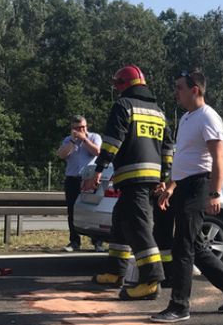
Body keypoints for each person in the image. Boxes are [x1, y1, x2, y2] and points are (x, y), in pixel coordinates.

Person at [150, 69, 223, 323]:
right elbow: (184, 160)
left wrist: (215, 193)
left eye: (179, 87)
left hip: (199, 186)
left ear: (195, 90)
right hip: (183, 186)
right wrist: (170, 187)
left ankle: (179, 306)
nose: (176, 92)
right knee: (193, 244)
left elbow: (218, 158)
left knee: (183, 245)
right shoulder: (186, 118)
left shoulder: (208, 118)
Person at [84, 65, 170, 300]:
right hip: (149, 179)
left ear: (123, 84)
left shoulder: (124, 106)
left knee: (139, 228)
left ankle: (151, 280)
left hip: (133, 178)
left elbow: (112, 142)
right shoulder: (159, 112)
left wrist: (99, 169)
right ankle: (115, 272)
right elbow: (168, 148)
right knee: (121, 222)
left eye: (116, 85)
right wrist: (163, 177)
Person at [57, 115, 102, 252]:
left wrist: (84, 139)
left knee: (94, 210)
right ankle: (74, 241)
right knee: (72, 211)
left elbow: (97, 151)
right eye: (78, 128)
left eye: (83, 127)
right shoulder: (68, 140)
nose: (81, 130)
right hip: (72, 179)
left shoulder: (94, 137)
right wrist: (73, 141)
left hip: (89, 179)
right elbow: (61, 155)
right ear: (72, 129)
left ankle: (97, 242)